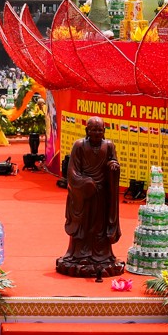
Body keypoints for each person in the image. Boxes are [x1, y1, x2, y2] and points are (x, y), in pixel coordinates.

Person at [55, 116, 124, 278]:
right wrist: (85, 182)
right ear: (87, 131)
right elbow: (72, 172)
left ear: (104, 131)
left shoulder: (109, 146)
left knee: (100, 226)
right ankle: (80, 255)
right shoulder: (79, 146)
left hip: (101, 194)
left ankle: (102, 255)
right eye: (93, 130)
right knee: (84, 225)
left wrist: (113, 166)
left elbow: (113, 161)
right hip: (84, 193)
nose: (97, 133)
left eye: (100, 130)